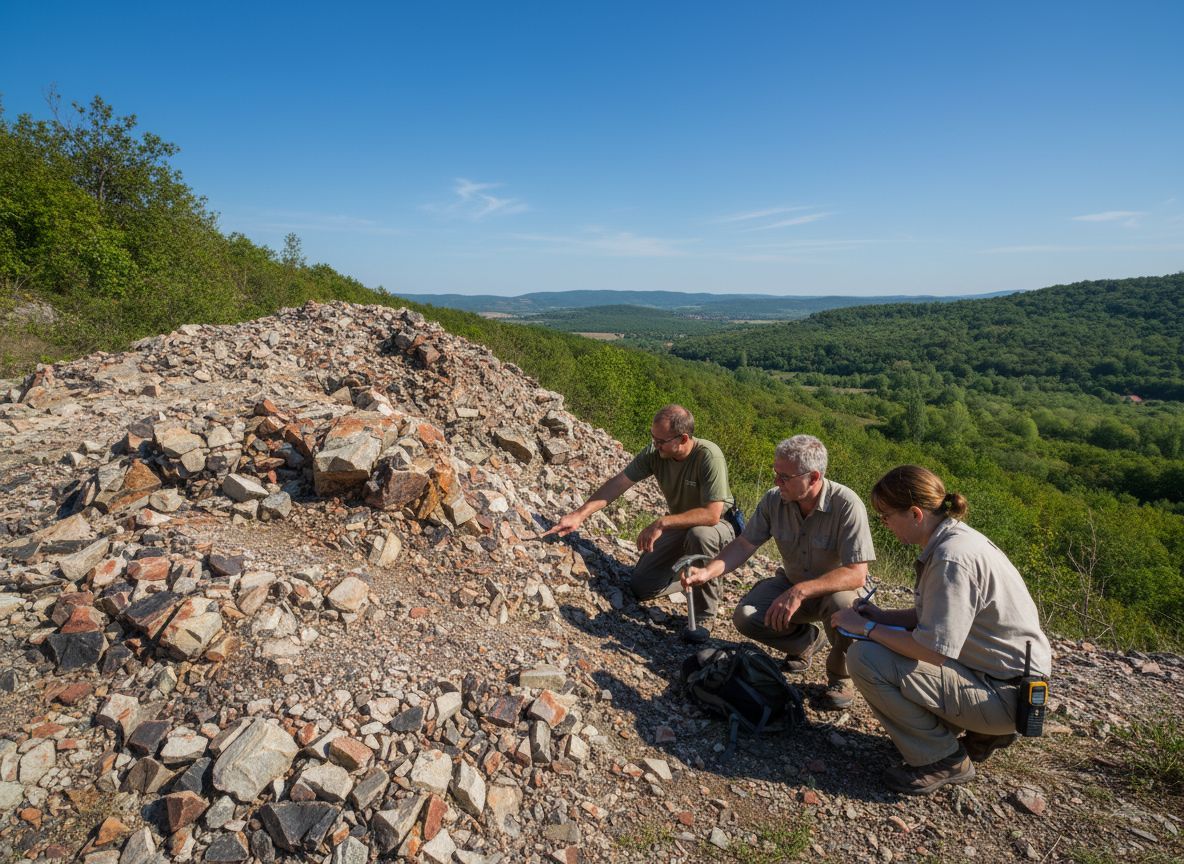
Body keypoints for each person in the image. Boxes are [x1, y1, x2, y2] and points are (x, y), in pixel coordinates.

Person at [831, 465, 1052, 796]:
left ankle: (942, 759)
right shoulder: (957, 540)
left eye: (887, 516)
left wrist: (866, 626)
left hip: (1005, 696)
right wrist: (882, 616)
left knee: (866, 657)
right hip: (1005, 685)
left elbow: (931, 649)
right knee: (884, 644)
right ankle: (982, 733)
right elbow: (934, 620)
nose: (885, 525)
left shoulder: (951, 560)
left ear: (916, 514)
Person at [683, 434, 875, 711]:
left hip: (832, 591)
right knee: (746, 617)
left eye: (785, 477)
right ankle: (806, 642)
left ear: (814, 477)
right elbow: (745, 543)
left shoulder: (846, 504)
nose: (777, 482)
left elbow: (857, 574)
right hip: (792, 583)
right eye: (776, 474)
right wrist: (707, 572)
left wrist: (802, 591)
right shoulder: (775, 500)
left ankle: (840, 677)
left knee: (845, 608)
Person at [546, 404, 735, 641]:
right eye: (653, 437)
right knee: (642, 587)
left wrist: (662, 523)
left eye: (661, 440)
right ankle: (693, 575)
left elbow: (712, 515)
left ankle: (704, 616)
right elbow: (619, 483)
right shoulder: (656, 453)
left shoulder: (708, 455)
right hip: (681, 523)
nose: (655, 444)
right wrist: (579, 515)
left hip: (719, 527)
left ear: (683, 438)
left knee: (700, 536)